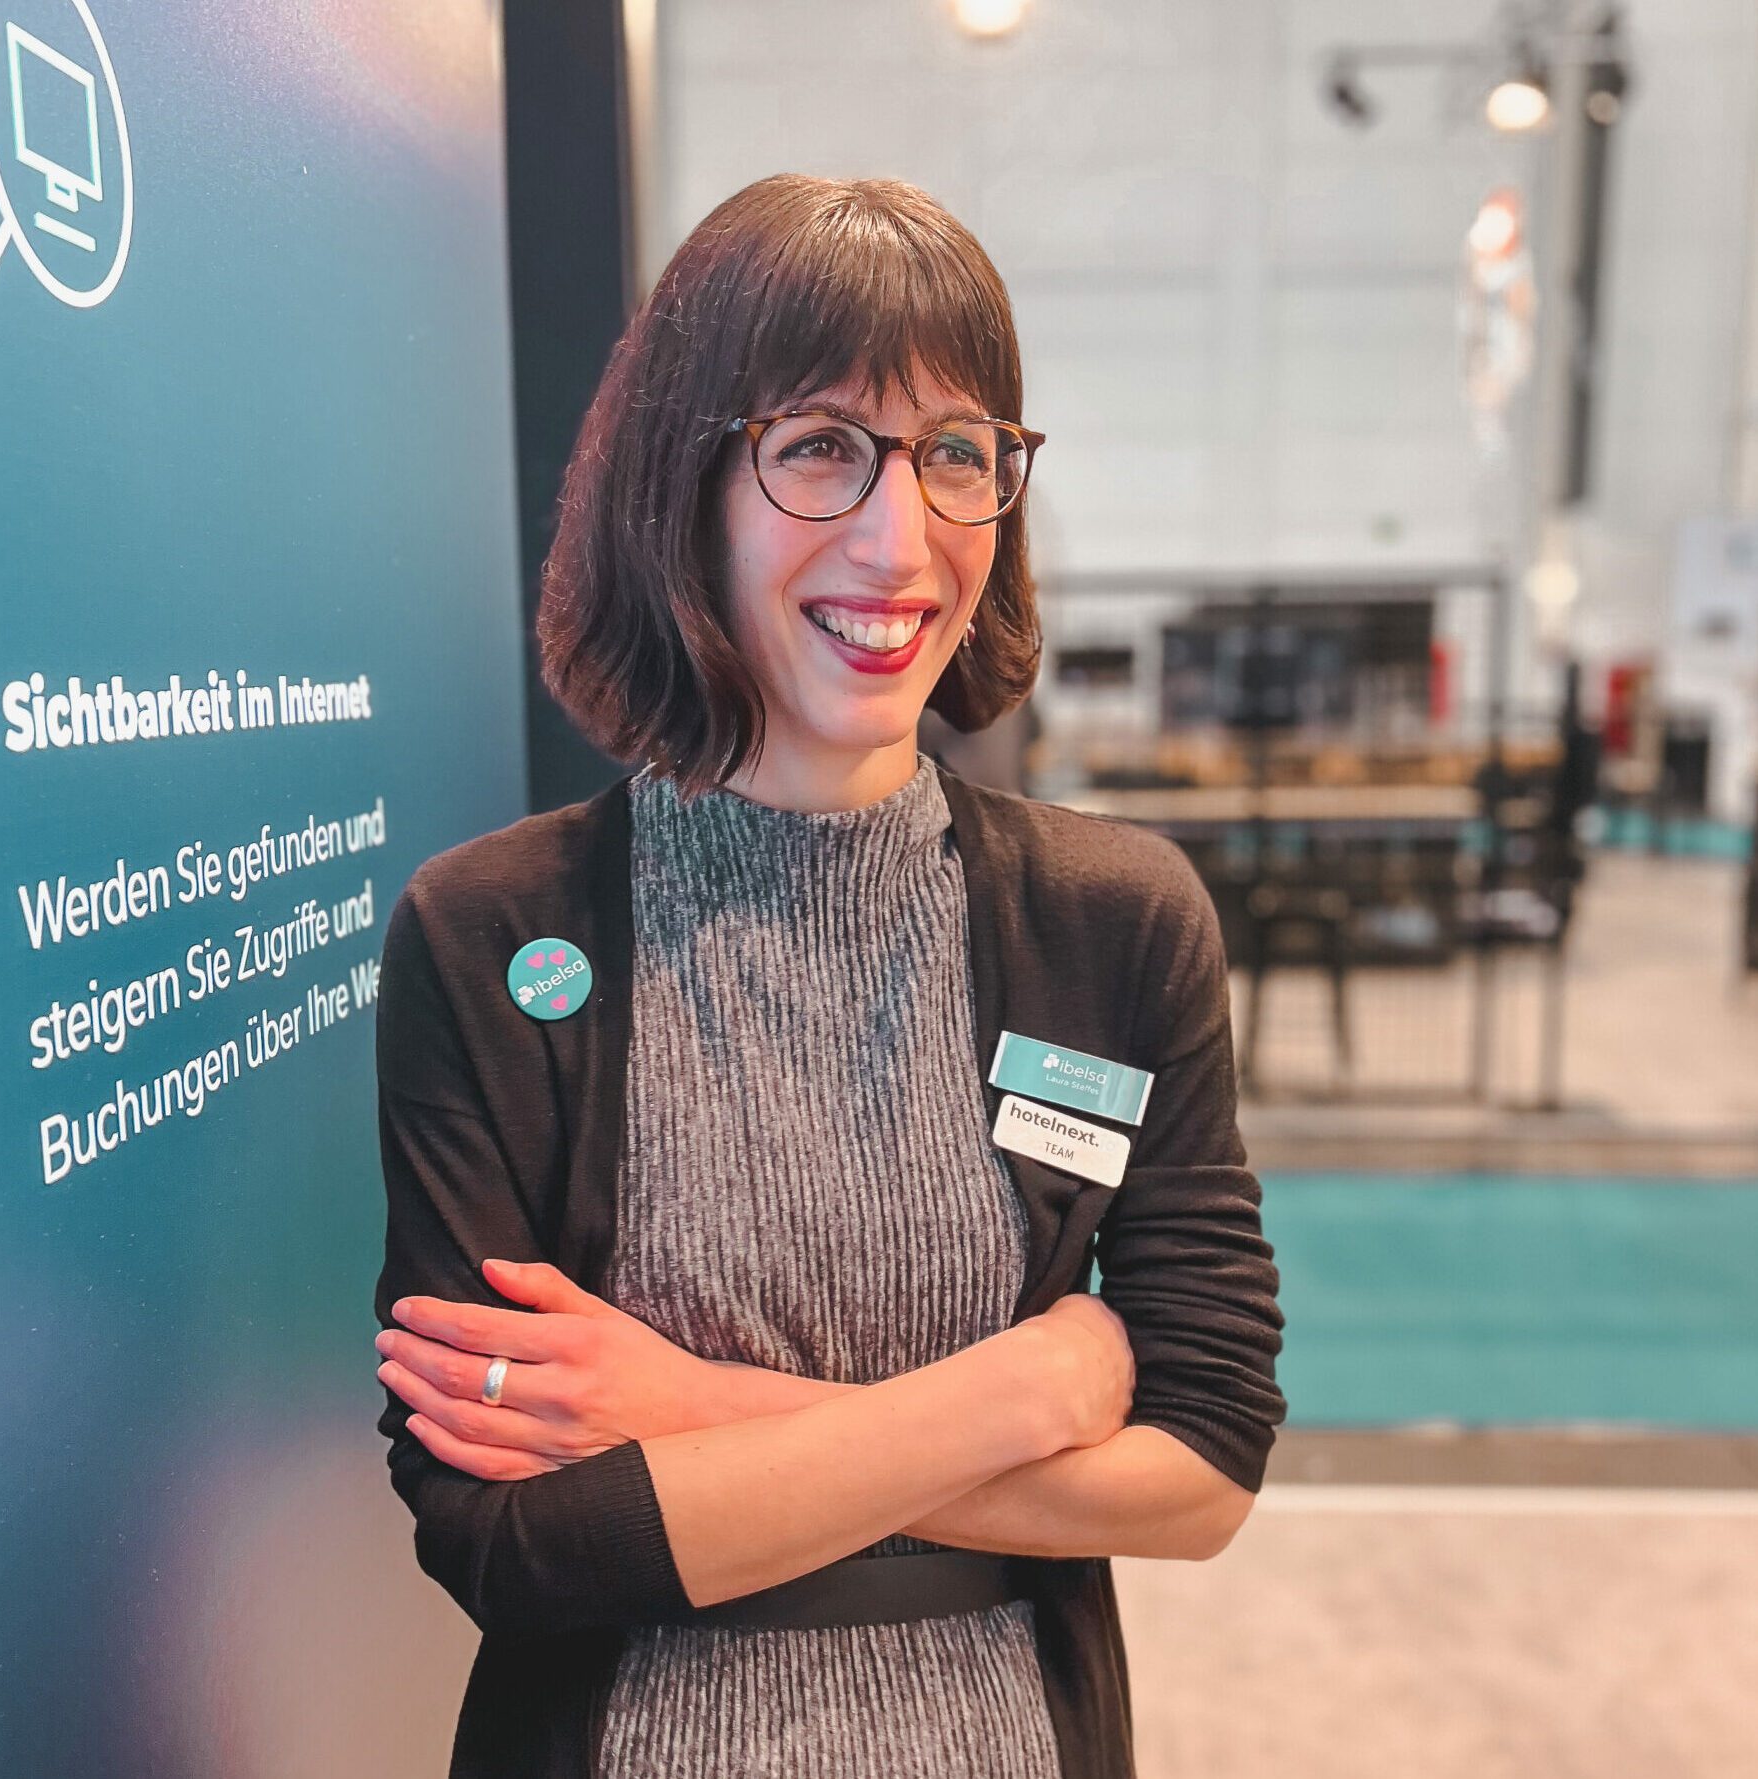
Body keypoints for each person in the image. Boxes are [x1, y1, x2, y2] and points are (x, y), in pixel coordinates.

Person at [370, 172, 1287, 1779]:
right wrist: (1029, 1390)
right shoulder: (491, 932)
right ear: (684, 490)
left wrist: (686, 1407)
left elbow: (1204, 1470)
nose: (899, 537)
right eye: (818, 448)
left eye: (956, 453)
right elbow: (503, 1541)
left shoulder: (1116, 919)